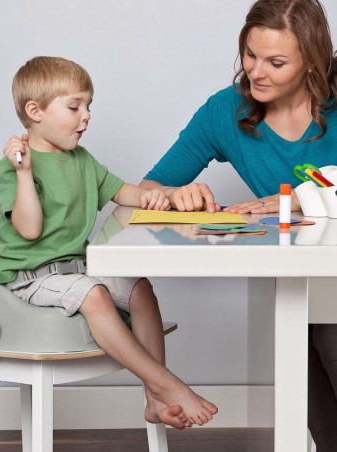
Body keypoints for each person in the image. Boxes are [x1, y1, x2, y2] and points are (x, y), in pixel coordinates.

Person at [140, 0, 337, 449]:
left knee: (326, 330)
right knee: (298, 344)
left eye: (276, 62)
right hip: (300, 282)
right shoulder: (226, 111)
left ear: (313, 60)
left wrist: (303, 200)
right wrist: (175, 195)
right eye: (250, 55)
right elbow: (152, 185)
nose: (256, 72)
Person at [0, 56, 218, 430]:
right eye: (74, 106)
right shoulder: (10, 171)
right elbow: (29, 230)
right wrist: (24, 172)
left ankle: (153, 399)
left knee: (140, 288)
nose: (87, 116)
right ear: (36, 111)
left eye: (88, 106)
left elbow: (124, 192)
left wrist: (165, 196)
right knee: (95, 294)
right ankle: (167, 384)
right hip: (29, 275)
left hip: (77, 270)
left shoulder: (82, 160)